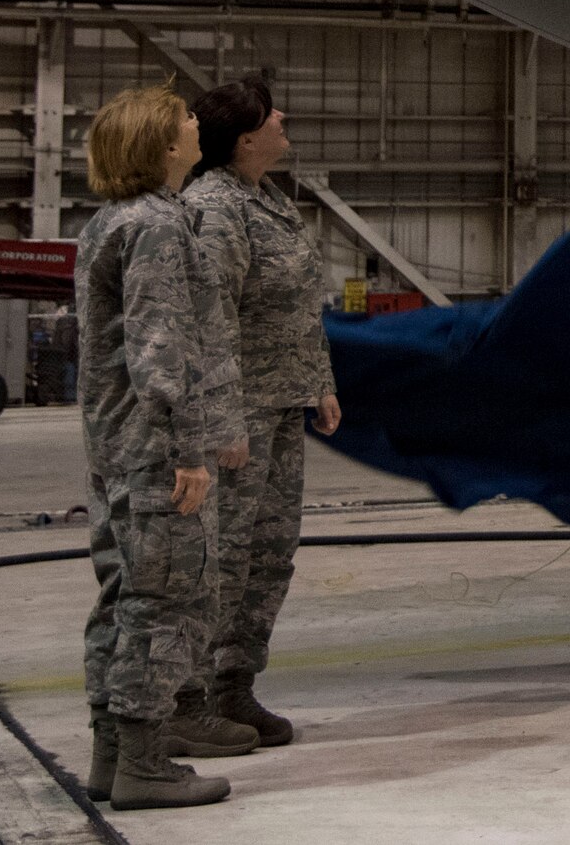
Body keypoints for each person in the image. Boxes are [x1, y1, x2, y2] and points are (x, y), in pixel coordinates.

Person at [76, 84, 248, 809]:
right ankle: (144, 763)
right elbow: (160, 344)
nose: (194, 124)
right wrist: (189, 448)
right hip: (155, 446)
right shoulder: (156, 225)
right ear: (163, 142)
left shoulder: (112, 220)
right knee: (166, 600)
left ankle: (112, 755)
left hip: (118, 441)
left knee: (124, 596)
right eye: (183, 118)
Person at [179, 77, 342, 749]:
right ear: (248, 136)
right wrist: (221, 417)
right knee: (219, 558)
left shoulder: (269, 199)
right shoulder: (216, 207)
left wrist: (320, 381)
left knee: (270, 554)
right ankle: (185, 699)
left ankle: (235, 685)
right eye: (273, 113)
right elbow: (208, 316)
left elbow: (300, 302)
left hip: (280, 404)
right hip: (237, 416)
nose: (284, 117)